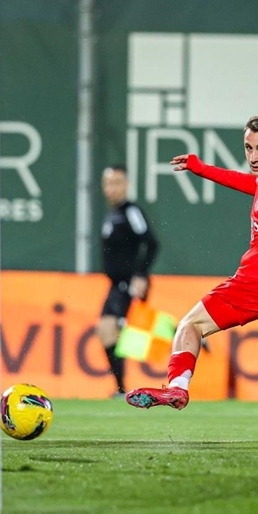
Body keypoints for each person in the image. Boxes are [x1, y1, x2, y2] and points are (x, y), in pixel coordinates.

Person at [126, 114, 258, 449]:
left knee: (189, 326)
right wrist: (202, 168)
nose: (253, 157)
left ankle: (178, 387)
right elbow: (252, 186)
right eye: (248, 148)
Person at [97, 165, 159, 400]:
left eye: (116, 183)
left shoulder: (131, 211)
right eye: (108, 184)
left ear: (126, 185)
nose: (111, 188)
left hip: (128, 283)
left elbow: (152, 243)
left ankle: (122, 390)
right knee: (106, 331)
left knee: (112, 330)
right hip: (115, 284)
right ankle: (121, 389)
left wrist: (141, 275)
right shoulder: (112, 214)